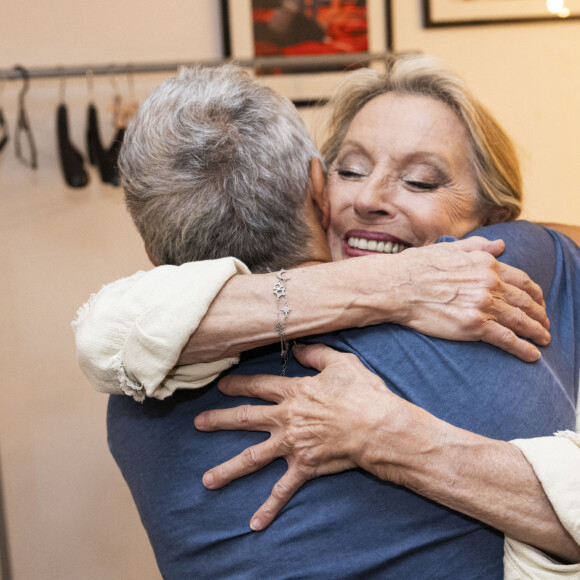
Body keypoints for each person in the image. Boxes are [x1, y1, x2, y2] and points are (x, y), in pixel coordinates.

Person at [72, 58, 579, 578]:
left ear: (498, 219)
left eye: (421, 182)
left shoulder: (136, 407)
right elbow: (108, 329)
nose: (368, 198)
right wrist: (400, 283)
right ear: (318, 187)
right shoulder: (162, 354)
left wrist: (386, 434)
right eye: (351, 170)